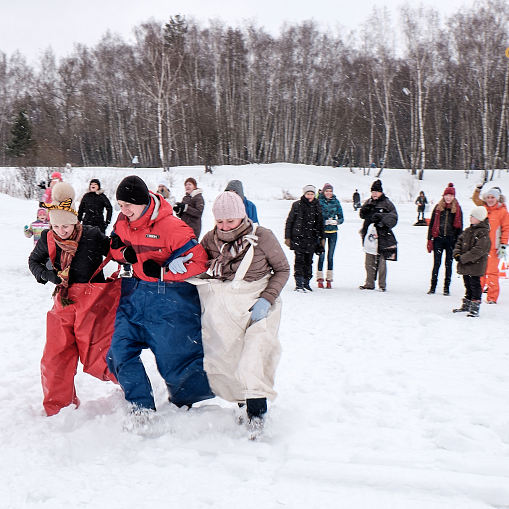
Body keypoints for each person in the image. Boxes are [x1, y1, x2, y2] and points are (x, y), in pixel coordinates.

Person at [107, 176, 213, 414]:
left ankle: (185, 407)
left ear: (143, 202)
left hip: (168, 299)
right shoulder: (123, 221)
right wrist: (124, 253)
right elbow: (114, 246)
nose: (123, 210)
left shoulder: (173, 227)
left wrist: (164, 272)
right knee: (119, 351)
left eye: (128, 205)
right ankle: (141, 407)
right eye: (120, 205)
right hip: (133, 294)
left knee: (175, 361)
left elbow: (200, 262)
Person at [197, 192, 289, 436]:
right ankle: (242, 406)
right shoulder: (209, 240)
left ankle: (258, 415)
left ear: (242, 216)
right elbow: (200, 266)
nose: (225, 227)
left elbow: (282, 269)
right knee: (229, 360)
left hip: (259, 306)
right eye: (220, 222)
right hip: (225, 309)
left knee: (254, 358)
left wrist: (266, 299)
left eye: (231, 221)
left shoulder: (263, 237)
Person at [28, 182, 117, 416]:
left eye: (66, 225)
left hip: (93, 301)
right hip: (64, 300)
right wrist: (48, 275)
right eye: (55, 225)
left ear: (75, 220)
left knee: (99, 354)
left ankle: (132, 388)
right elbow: (33, 262)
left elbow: (114, 250)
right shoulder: (48, 237)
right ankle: (59, 407)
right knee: (56, 355)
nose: (61, 230)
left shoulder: (91, 233)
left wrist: (124, 248)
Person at [472, 185, 509, 303]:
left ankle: (492, 298)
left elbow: (506, 229)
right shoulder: (483, 209)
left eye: (492, 197)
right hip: (480, 246)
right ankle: (476, 296)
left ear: (497, 198)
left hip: (493, 247)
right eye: (488, 197)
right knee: (479, 272)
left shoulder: (502, 212)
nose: (490, 199)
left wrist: (503, 244)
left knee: (492, 273)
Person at [359, 179, 398, 292]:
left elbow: (394, 218)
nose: (374, 194)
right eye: (373, 192)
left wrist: (382, 221)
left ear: (381, 192)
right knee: (369, 261)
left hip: (382, 235)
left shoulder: (387, 203)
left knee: (381, 261)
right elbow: (362, 215)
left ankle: (382, 285)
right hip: (369, 235)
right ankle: (369, 283)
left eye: (376, 192)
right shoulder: (369, 202)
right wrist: (364, 210)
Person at [452, 206, 491, 317]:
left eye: (473, 216)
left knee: (475, 284)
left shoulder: (483, 233)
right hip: (466, 264)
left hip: (475, 265)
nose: (470, 218)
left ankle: (475, 305)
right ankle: (467, 303)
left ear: (479, 218)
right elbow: (459, 241)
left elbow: (479, 250)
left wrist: (463, 258)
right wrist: (457, 253)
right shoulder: (468, 230)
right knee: (467, 284)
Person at [285, 184, 324, 292]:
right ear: (304, 194)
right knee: (299, 261)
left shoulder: (317, 206)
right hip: (299, 238)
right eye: (308, 194)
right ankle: (299, 283)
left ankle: (306, 282)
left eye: (312, 194)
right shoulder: (297, 205)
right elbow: (290, 221)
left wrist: (321, 239)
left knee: (309, 261)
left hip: (312, 238)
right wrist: (288, 237)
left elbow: (320, 224)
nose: (309, 196)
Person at [426, 183, 463, 295]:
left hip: (451, 240)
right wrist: (429, 239)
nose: (448, 198)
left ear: (453, 197)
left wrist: (458, 243)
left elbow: (460, 227)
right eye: (447, 195)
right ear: (444, 196)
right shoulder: (438, 208)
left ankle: (446, 288)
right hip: (438, 239)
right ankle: (433, 286)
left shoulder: (457, 209)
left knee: (449, 264)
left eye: (450, 196)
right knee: (436, 264)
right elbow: (432, 224)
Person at [317, 183, 344, 289]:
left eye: (330, 191)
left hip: (333, 232)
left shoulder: (336, 202)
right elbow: (316, 216)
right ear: (323, 192)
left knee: (330, 256)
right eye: (327, 191)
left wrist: (336, 221)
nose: (329, 193)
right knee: (322, 255)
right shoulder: (319, 202)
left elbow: (341, 217)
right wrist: (324, 222)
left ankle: (329, 279)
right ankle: (320, 278)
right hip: (322, 232)